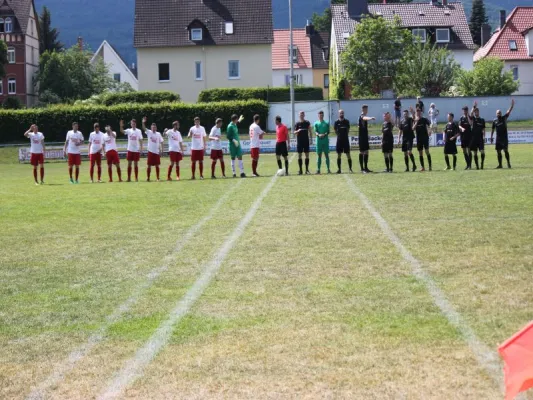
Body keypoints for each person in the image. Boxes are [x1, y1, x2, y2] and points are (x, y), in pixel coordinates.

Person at [491, 98, 515, 169]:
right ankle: (500, 165)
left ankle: (508, 163)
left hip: (504, 138)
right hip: (498, 138)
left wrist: (512, 105)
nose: (498, 114)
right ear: (496, 114)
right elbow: (492, 129)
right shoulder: (494, 121)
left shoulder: (504, 118)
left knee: (505, 150)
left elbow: (509, 111)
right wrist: (492, 137)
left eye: (499, 113)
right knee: (498, 151)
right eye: (497, 113)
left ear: (501, 113)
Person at [142, 117, 164, 181]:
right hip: (150, 151)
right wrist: (143, 122)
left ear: (156, 128)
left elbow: (162, 141)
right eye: (152, 127)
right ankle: (148, 178)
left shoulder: (158, 134)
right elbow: (144, 128)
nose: (153, 128)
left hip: (156, 152)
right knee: (149, 165)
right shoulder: (149, 132)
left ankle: (158, 178)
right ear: (151, 128)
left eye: (154, 127)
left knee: (157, 165)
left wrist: (162, 150)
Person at [411, 107, 432, 172]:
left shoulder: (424, 119)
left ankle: (430, 166)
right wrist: (416, 122)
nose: (418, 113)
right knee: (420, 153)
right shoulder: (415, 120)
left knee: (427, 151)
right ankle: (423, 167)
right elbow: (413, 128)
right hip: (419, 139)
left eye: (419, 112)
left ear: (421, 112)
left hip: (425, 138)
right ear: (416, 113)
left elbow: (430, 124)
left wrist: (430, 130)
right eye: (417, 112)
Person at [227, 114, 246, 178]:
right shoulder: (230, 126)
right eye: (237, 119)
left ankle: (242, 172)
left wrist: (240, 119)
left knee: (240, 156)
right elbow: (228, 136)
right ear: (234, 119)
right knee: (233, 158)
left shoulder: (234, 124)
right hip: (232, 144)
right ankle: (234, 173)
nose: (237, 120)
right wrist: (234, 140)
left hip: (237, 144)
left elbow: (237, 123)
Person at [358, 105, 376, 173]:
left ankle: (366, 168)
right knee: (362, 152)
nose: (366, 110)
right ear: (363, 109)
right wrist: (371, 118)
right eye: (365, 109)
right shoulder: (362, 115)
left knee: (366, 151)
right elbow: (364, 118)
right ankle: (362, 169)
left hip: (365, 136)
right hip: (362, 137)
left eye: (367, 109)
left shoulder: (363, 116)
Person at [334, 109, 352, 174]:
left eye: (342, 113)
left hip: (345, 140)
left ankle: (350, 169)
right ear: (338, 114)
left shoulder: (347, 121)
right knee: (339, 155)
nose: (341, 114)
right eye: (340, 113)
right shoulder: (336, 122)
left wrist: (344, 136)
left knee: (348, 154)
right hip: (339, 141)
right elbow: (335, 130)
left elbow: (348, 130)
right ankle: (339, 169)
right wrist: (339, 136)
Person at [469, 102, 486, 170]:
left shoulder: (482, 120)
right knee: (475, 153)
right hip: (474, 138)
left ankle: (482, 163)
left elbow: (484, 129)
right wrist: (474, 106)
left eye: (477, 111)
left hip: (480, 138)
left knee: (482, 151)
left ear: (478, 112)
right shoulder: (473, 119)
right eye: (475, 111)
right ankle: (477, 165)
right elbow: (470, 113)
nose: (476, 113)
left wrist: (484, 137)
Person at [314, 110, 331, 174]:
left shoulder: (326, 123)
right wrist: (318, 134)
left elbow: (328, 131)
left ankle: (328, 169)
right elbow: (315, 131)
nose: (321, 116)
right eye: (319, 115)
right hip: (319, 141)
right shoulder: (316, 123)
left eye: (322, 115)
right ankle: (318, 170)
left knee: (326, 155)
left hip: (325, 141)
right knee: (319, 155)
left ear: (323, 115)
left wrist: (324, 134)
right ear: (318, 115)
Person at [458, 106, 473, 170]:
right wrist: (462, 128)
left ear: (467, 111)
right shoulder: (461, 118)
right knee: (464, 151)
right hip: (463, 136)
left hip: (469, 136)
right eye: (463, 110)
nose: (464, 112)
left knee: (469, 150)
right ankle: (467, 164)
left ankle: (470, 165)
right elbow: (459, 125)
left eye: (465, 110)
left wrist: (468, 116)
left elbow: (471, 124)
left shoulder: (469, 117)